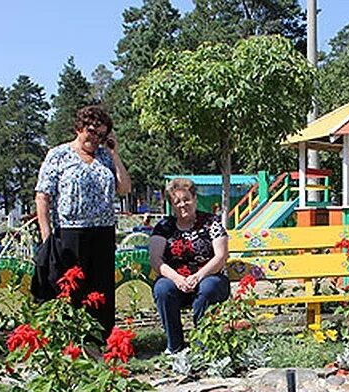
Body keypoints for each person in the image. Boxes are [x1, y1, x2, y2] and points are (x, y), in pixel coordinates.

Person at [34, 105, 131, 337]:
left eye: (101, 134)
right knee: (70, 289)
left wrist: (114, 154)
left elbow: (124, 188)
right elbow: (42, 197)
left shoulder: (105, 158)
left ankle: (100, 341)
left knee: (101, 290)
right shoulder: (58, 155)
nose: (95, 138)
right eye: (91, 131)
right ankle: (70, 341)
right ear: (79, 128)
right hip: (70, 233)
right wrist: (47, 237)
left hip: (103, 232)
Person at [149, 178, 229, 353]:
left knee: (208, 288)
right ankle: (175, 347)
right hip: (176, 280)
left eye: (186, 199)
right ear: (171, 205)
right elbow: (156, 260)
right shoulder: (164, 227)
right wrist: (177, 279)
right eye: (176, 202)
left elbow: (221, 256)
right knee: (162, 289)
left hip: (209, 276)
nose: (182, 205)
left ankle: (204, 346)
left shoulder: (211, 222)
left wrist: (198, 276)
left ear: (195, 199)